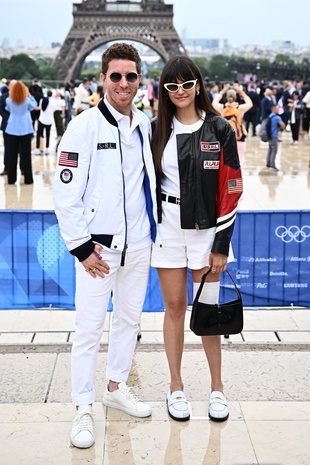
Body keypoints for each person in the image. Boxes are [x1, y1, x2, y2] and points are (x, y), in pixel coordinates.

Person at [53, 42, 157, 449]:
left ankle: (115, 386)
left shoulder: (146, 125)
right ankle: (82, 406)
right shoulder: (82, 127)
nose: (124, 83)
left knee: (129, 323)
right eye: (116, 76)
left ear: (139, 79)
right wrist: (81, 247)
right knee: (88, 330)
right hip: (98, 251)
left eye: (131, 76)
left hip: (139, 247)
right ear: (102, 78)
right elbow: (65, 194)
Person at [151, 56, 242, 423]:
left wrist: (221, 244)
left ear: (198, 85)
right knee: (174, 308)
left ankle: (216, 388)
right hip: (168, 226)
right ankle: (176, 387)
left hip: (207, 230)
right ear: (165, 90)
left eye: (187, 84)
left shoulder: (220, 128)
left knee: (208, 312)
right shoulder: (156, 129)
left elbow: (232, 187)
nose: (181, 92)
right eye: (172, 86)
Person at [5, 81, 37, 184]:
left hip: (11, 128)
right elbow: (33, 106)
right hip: (25, 128)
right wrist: (30, 96)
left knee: (11, 155)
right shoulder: (27, 100)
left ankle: (11, 179)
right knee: (26, 155)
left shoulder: (8, 100)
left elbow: (8, 109)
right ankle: (28, 179)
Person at [212, 83, 252, 165]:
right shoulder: (239, 108)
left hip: (226, 139)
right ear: (236, 97)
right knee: (239, 162)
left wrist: (223, 91)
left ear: (226, 97)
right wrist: (241, 92)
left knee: (227, 163)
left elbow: (214, 102)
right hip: (239, 138)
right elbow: (250, 103)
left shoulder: (223, 108)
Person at [32, 90, 59, 155]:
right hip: (49, 120)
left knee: (38, 135)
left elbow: (40, 108)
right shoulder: (54, 101)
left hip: (42, 119)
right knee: (48, 134)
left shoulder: (42, 100)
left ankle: (37, 148)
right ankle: (47, 148)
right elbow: (54, 109)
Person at [266, 104, 285, 171]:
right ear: (274, 109)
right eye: (277, 109)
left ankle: (268, 163)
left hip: (269, 135)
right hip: (274, 135)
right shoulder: (277, 118)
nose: (278, 110)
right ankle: (272, 164)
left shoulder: (269, 116)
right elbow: (282, 125)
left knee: (270, 150)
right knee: (274, 150)